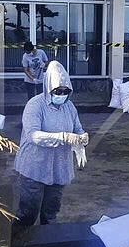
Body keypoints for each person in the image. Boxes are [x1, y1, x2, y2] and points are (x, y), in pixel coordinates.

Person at [13, 61, 88, 227]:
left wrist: (82, 138)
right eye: (57, 91)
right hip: (35, 167)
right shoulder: (35, 105)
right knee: (28, 213)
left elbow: (77, 128)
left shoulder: (69, 107)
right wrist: (63, 137)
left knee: (51, 213)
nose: (61, 94)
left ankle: (46, 245)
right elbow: (34, 136)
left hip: (59, 169)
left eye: (65, 91)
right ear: (48, 88)